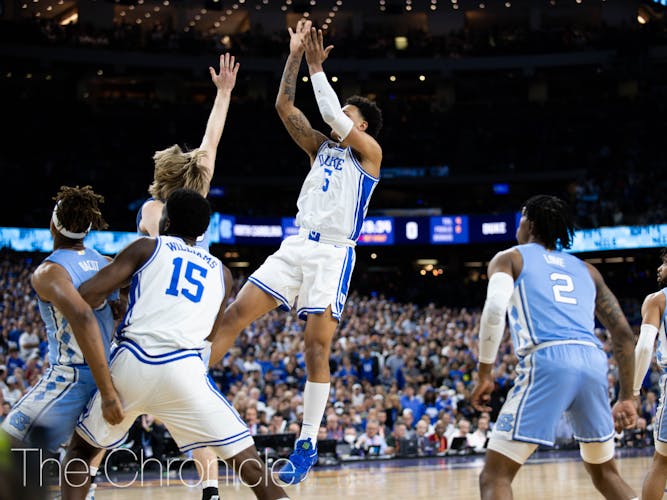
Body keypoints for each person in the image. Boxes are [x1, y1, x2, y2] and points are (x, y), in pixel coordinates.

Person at [207, 19, 383, 485]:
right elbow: (285, 106)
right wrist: (294, 56)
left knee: (315, 347)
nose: (337, 116)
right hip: (298, 243)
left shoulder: (370, 154)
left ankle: (306, 442)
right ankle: (188, 382)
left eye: (347, 114)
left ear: (361, 125)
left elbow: (329, 112)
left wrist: (316, 66)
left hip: (333, 254)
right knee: (234, 314)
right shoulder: (319, 148)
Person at [61, 189, 288, 500]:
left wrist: (114, 303)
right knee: (249, 464)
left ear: (166, 222)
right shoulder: (222, 273)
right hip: (185, 373)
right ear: (203, 232)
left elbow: (88, 294)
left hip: (133, 363)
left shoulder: (147, 247)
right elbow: (210, 335)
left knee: (81, 451)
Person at [470, 194, 638, 500]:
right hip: (593, 361)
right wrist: (628, 397)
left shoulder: (510, 258)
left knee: (495, 476)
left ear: (531, 224)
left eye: (521, 218)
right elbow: (624, 335)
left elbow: (494, 309)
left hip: (549, 358)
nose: (518, 226)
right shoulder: (588, 270)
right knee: (606, 473)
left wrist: (484, 373)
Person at [136, 52, 239, 500]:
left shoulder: (152, 211)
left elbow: (146, 258)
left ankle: (86, 476)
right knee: (193, 404)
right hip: (198, 313)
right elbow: (212, 138)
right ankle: (211, 486)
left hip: (161, 308)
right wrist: (223, 94)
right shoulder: (197, 197)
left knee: (114, 399)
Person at [1, 186, 124, 497]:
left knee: (9, 446)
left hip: (72, 376)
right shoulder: (107, 263)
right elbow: (125, 297)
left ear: (53, 224)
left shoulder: (49, 271)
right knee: (80, 456)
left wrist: (108, 393)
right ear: (89, 228)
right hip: (109, 373)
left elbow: (82, 317)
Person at [633, 248, 667, 500]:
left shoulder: (657, 300)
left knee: (662, 461)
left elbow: (645, 347)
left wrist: (633, 390)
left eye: (664, 262)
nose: (659, 268)